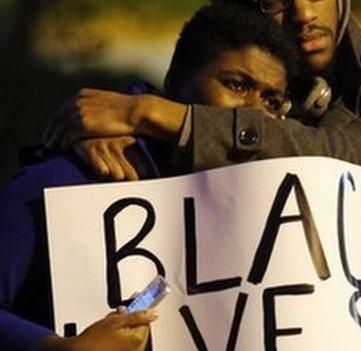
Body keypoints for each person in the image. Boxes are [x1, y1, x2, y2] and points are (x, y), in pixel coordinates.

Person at [44, 1, 361, 348]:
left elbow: (349, 156)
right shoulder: (238, 98)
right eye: (277, 0)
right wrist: (108, 130)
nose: (303, 13)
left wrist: (151, 114)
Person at [0, 4, 299, 351]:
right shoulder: (73, 177)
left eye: (272, 101)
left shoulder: (277, 217)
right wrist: (58, 348)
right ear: (174, 83)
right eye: (236, 85)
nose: (254, 114)